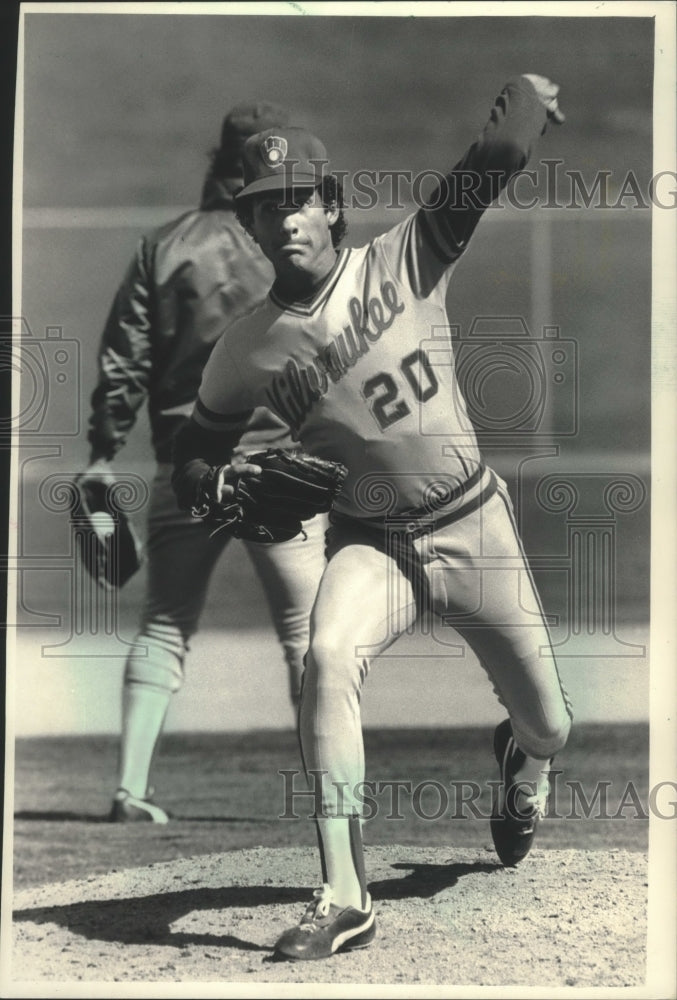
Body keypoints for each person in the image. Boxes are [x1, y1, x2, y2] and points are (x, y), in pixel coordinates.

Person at [172, 75, 574, 958]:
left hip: (475, 526)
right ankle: (345, 895)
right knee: (324, 656)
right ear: (246, 227)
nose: (282, 220)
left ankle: (525, 759)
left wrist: (525, 96)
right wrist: (213, 488)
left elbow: (496, 160)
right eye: (262, 208)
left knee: (553, 722)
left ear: (329, 205)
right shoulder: (245, 348)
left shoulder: (406, 254)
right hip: (373, 544)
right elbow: (194, 450)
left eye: (297, 201)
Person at [81, 101, 328, 824]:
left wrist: (101, 452)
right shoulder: (287, 243)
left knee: (164, 624)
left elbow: (125, 361)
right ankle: (326, 790)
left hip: (183, 465)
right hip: (275, 464)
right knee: (306, 636)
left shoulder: (162, 247)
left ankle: (130, 788)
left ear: (216, 162)